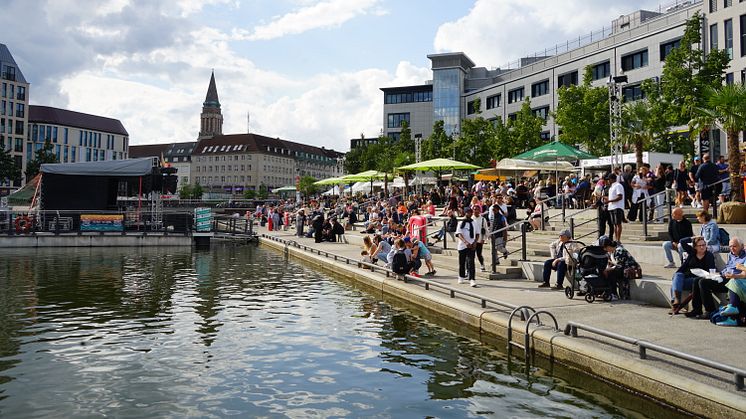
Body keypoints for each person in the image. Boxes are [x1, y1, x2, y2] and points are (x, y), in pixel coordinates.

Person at [687, 238, 746, 319]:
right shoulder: (730, 254)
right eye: (730, 246)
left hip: (734, 281)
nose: (732, 248)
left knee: (703, 282)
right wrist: (717, 274)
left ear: (741, 246)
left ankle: (710, 311)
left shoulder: (745, 256)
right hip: (724, 277)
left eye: (735, 246)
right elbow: (727, 268)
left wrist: (732, 275)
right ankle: (697, 309)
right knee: (697, 280)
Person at [669, 236, 715, 313]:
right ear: (695, 247)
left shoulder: (709, 255)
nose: (702, 247)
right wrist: (694, 237)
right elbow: (682, 241)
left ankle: (675, 305)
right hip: (686, 279)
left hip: (697, 280)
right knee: (678, 275)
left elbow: (711, 270)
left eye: (703, 245)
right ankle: (676, 301)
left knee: (675, 283)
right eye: (699, 245)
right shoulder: (692, 253)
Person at [456, 207, 479, 287]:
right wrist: (465, 242)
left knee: (471, 262)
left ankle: (472, 279)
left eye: (470, 212)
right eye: (468, 212)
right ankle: (461, 276)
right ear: (465, 213)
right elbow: (459, 234)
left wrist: (475, 242)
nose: (469, 214)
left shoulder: (474, 222)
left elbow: (477, 233)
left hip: (471, 245)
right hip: (462, 246)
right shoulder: (461, 223)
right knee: (462, 262)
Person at [603, 173, 624, 242]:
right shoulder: (611, 187)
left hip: (617, 207)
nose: (608, 181)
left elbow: (620, 196)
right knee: (615, 224)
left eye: (608, 179)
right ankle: (616, 239)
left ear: (612, 179)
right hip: (611, 207)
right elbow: (611, 197)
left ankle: (618, 239)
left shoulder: (618, 186)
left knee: (618, 224)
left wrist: (609, 200)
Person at [472, 206, 489, 272]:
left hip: (479, 240)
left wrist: (483, 239)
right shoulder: (471, 218)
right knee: (471, 255)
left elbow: (486, 230)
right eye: (475, 209)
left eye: (477, 209)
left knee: (479, 254)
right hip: (472, 240)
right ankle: (470, 268)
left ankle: (482, 264)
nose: (476, 211)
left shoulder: (483, 219)